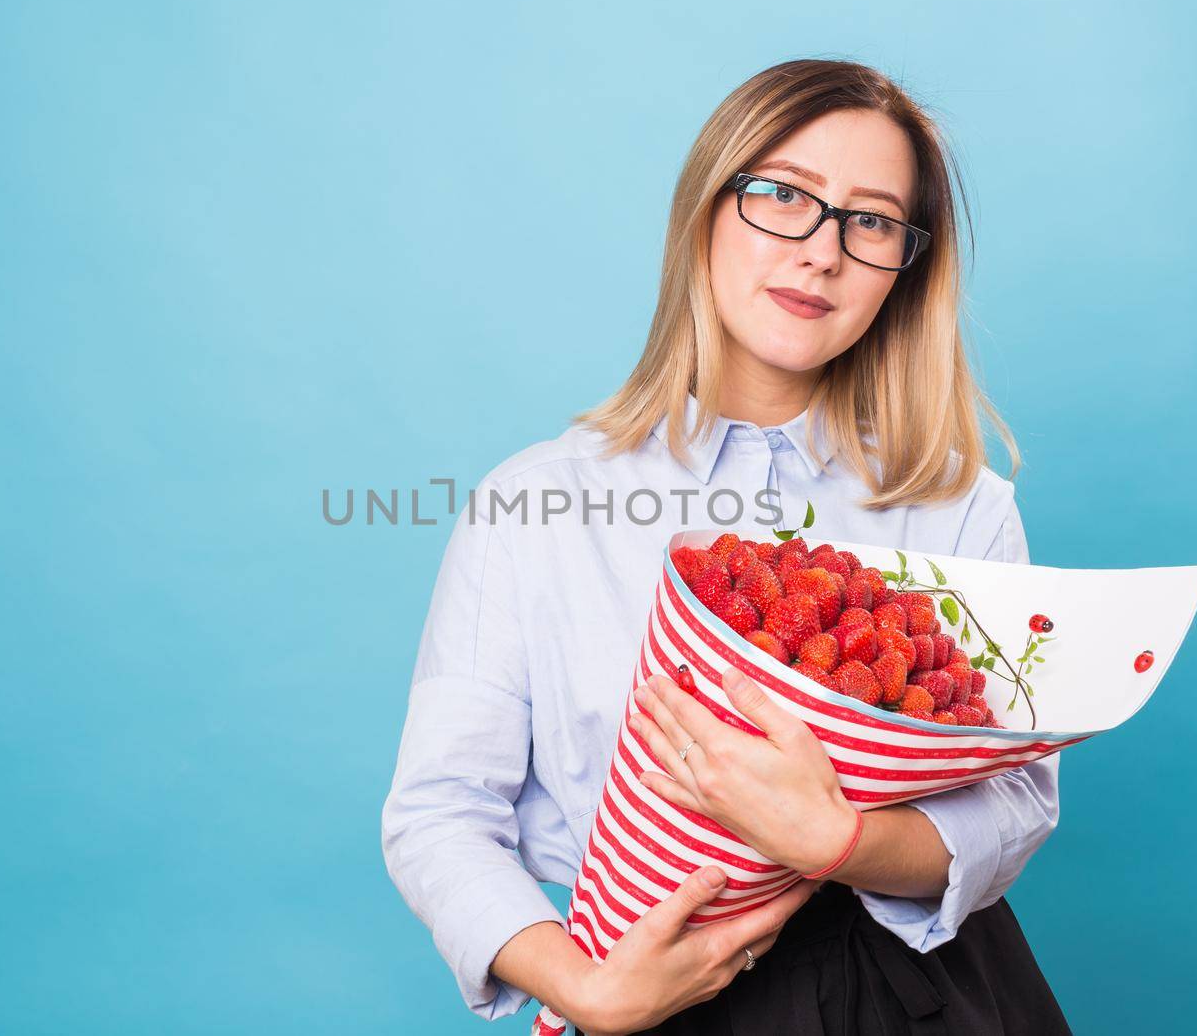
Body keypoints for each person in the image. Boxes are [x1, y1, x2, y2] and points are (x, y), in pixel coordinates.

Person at [381, 58, 1070, 1034]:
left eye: (869, 220)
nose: (821, 252)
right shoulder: (533, 504)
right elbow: (440, 810)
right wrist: (579, 984)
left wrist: (839, 840)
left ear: (902, 266)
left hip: (922, 995)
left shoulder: (959, 506)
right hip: (645, 990)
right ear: (707, 209)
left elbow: (1014, 804)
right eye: (783, 196)